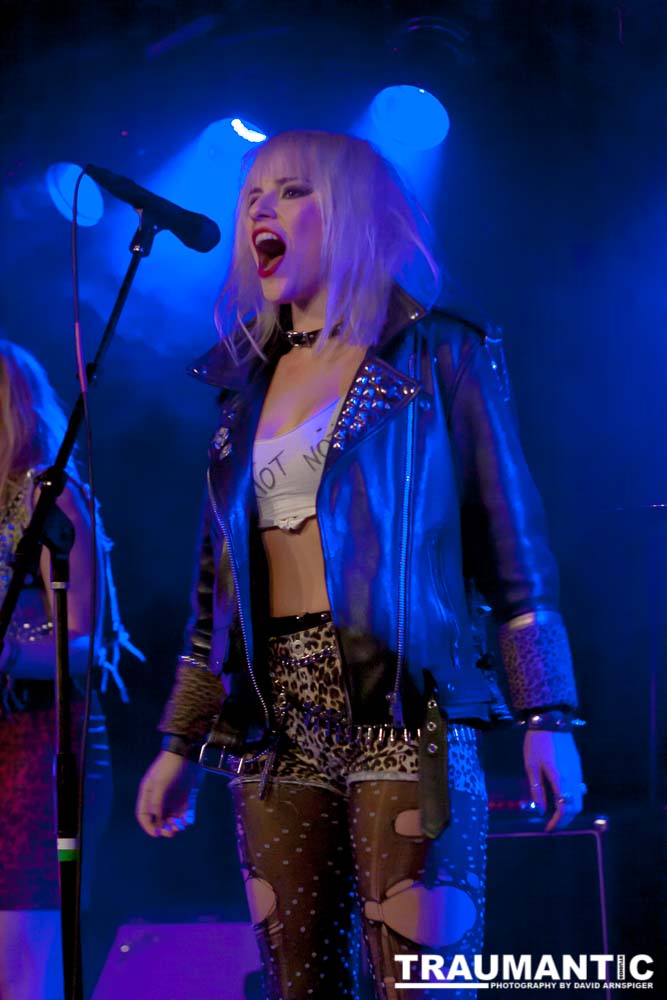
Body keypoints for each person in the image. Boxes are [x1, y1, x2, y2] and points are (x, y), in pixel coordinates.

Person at [136, 130, 585, 1000]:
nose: (261, 209)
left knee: (421, 982)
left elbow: (513, 550)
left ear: (351, 215)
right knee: (299, 985)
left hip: (406, 712)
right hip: (274, 728)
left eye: (291, 191)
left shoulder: (440, 355)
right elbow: (212, 596)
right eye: (252, 195)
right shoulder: (242, 390)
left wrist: (548, 715)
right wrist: (179, 743)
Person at [0, 339, 136, 1000]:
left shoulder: (48, 497)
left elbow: (88, 644)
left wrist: (10, 654)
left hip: (41, 742)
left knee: (22, 958)